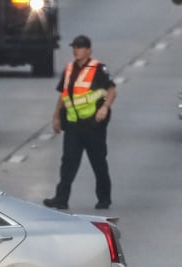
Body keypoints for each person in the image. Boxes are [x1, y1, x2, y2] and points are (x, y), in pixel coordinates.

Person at [43, 35, 117, 211]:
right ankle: (61, 198)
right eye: (74, 47)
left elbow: (111, 89)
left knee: (98, 163)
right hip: (73, 125)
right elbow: (64, 95)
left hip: (93, 125)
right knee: (68, 163)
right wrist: (56, 116)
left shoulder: (98, 68)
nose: (76, 50)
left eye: (80, 47)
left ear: (88, 50)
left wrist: (105, 107)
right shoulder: (69, 69)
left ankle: (104, 198)